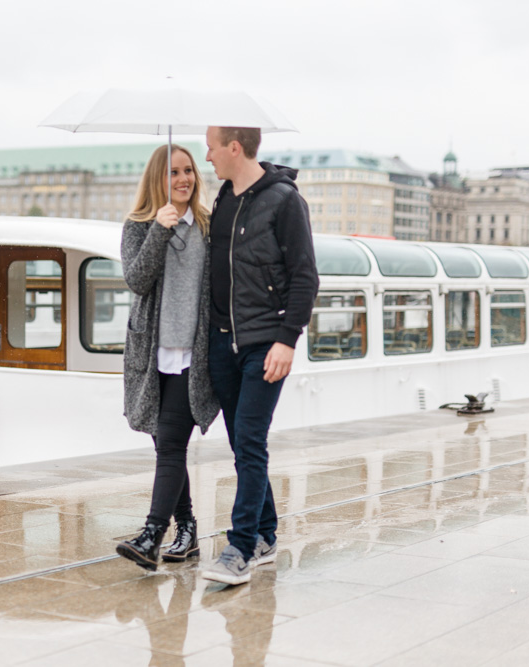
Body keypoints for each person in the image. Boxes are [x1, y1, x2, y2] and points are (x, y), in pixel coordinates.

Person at [200, 126, 318, 586]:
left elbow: (305, 276)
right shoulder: (223, 199)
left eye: (211, 146)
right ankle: (266, 535)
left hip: (266, 343)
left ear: (234, 147)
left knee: (250, 441)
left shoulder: (285, 201)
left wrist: (288, 339)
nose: (206, 155)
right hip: (223, 342)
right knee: (242, 444)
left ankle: (241, 548)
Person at [116, 144, 220, 571]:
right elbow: (136, 280)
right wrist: (159, 229)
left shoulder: (208, 226)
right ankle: (189, 529)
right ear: (158, 179)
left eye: (189, 171)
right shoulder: (138, 225)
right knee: (166, 446)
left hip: (193, 357)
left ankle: (151, 535)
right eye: (174, 173)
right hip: (151, 356)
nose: (183, 179)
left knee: (172, 444)